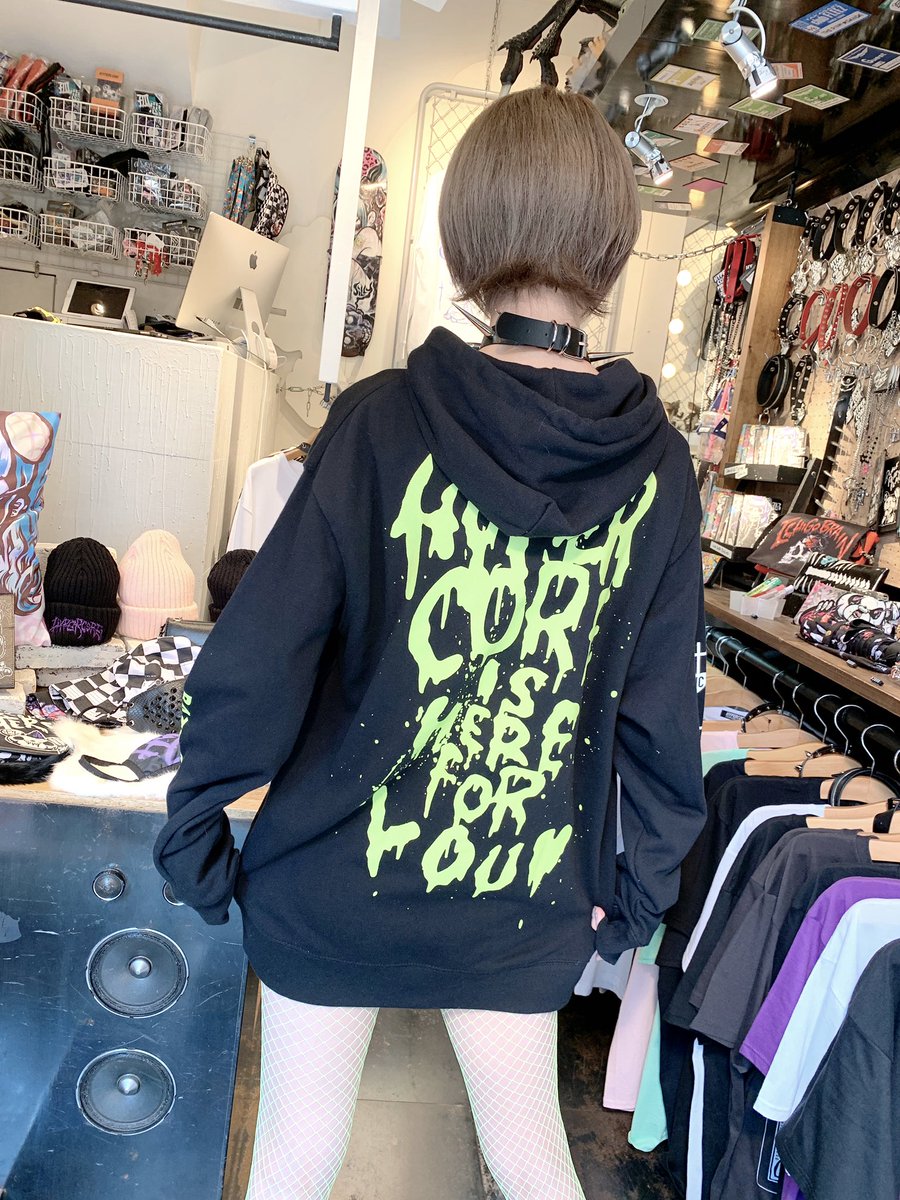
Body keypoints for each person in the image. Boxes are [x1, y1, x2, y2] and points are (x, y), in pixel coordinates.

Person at [154, 85, 707, 1200]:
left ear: (467, 230)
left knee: (296, 1160)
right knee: (532, 1161)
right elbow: (663, 717)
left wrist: (196, 824)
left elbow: (265, 654)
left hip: (331, 877)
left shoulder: (381, 421)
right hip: (520, 894)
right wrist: (635, 892)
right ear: (611, 241)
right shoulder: (659, 470)